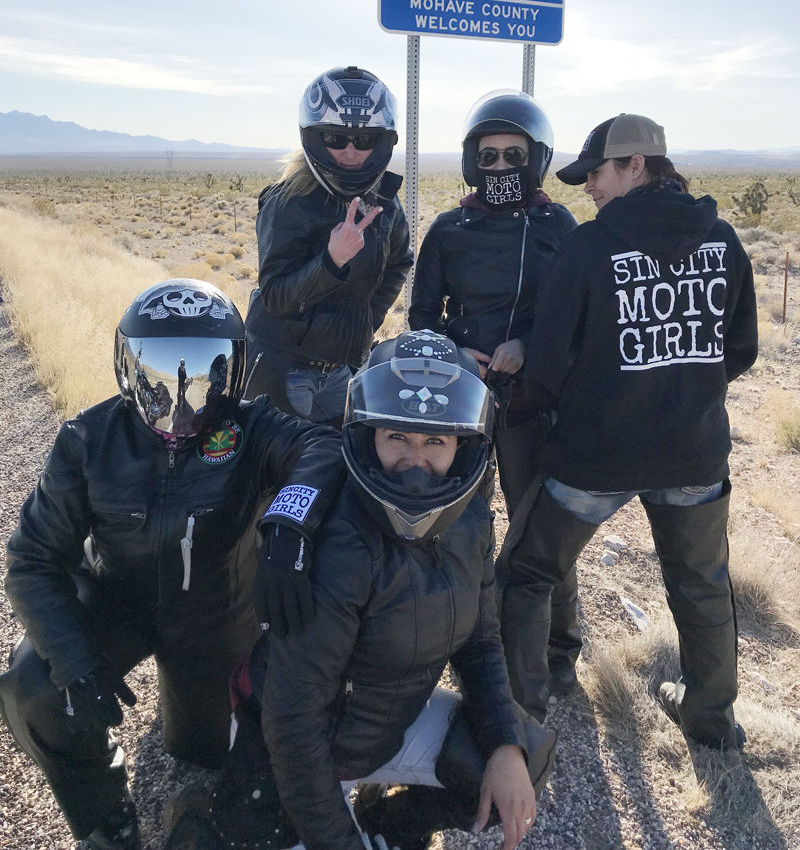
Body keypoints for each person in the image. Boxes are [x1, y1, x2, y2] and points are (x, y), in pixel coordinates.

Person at [164, 332, 557, 850]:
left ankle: (392, 824)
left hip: (390, 725)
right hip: (301, 746)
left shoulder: (471, 523)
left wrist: (506, 747)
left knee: (530, 755)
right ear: (368, 434)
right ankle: (200, 810)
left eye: (435, 441)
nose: (415, 463)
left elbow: (481, 643)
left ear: (463, 445)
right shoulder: (338, 544)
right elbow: (291, 721)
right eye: (397, 436)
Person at [0, 279, 345, 850]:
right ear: (126, 367)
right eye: (158, 372)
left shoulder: (250, 427)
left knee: (201, 753)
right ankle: (105, 819)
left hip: (217, 619)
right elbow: (31, 560)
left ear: (232, 372)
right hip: (117, 602)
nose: (180, 398)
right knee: (35, 688)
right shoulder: (87, 439)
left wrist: (288, 520)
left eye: (204, 373)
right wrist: (74, 662)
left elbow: (323, 449)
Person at [498, 114, 758, 749]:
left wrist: (524, 406)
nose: (587, 185)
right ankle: (711, 721)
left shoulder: (590, 247)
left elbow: (551, 359)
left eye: (596, 172)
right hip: (693, 454)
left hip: (595, 457)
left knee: (528, 574)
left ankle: (518, 721)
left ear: (636, 165)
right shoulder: (723, 242)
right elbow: (742, 349)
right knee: (702, 584)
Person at [408, 90, 581, 692]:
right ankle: (463, 639)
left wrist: (529, 345)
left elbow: (574, 313)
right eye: (489, 157)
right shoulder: (449, 230)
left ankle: (558, 648)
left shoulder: (559, 226)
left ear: (536, 159)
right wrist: (455, 348)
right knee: (461, 521)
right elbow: (422, 315)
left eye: (514, 156)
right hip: (464, 397)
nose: (501, 168)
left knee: (539, 525)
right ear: (470, 161)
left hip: (534, 397)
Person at [244, 65, 413, 424]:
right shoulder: (288, 202)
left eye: (364, 141)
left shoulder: (383, 202)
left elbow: (400, 262)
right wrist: (331, 261)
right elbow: (274, 295)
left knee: (338, 461)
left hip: (339, 369)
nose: (350, 153)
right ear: (317, 139)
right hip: (282, 362)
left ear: (381, 142)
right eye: (336, 140)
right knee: (276, 467)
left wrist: (364, 320)